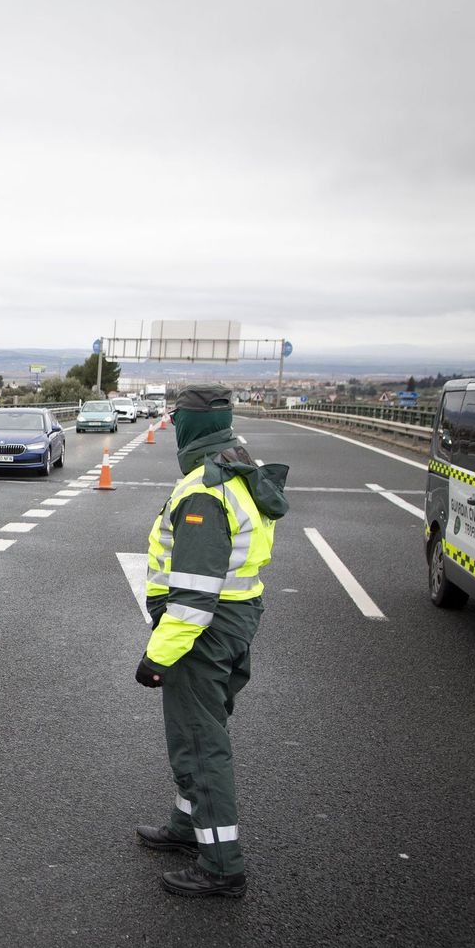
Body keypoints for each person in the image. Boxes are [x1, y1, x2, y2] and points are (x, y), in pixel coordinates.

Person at [133, 384, 288, 898]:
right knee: (198, 734)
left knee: (200, 744)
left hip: (204, 633)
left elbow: (194, 597)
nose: (173, 425)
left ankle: (222, 865)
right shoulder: (237, 465)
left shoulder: (204, 490)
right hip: (235, 621)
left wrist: (157, 657)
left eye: (176, 418)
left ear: (188, 426)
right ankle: (186, 827)